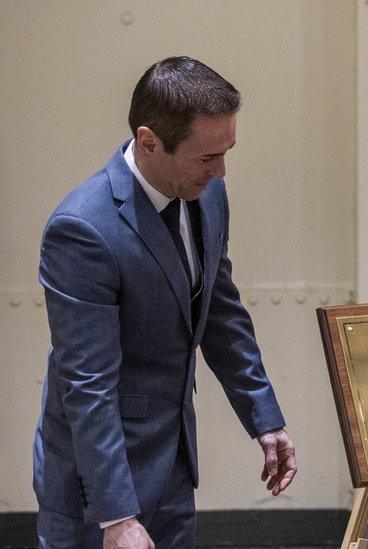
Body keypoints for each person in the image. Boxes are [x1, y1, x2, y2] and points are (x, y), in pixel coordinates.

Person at [33, 56, 298, 548]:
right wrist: (116, 517)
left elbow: (220, 312)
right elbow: (87, 385)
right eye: (206, 158)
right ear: (148, 141)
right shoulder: (83, 230)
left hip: (173, 464)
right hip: (96, 486)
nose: (220, 172)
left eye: (227, 152)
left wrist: (264, 418)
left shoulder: (206, 194)